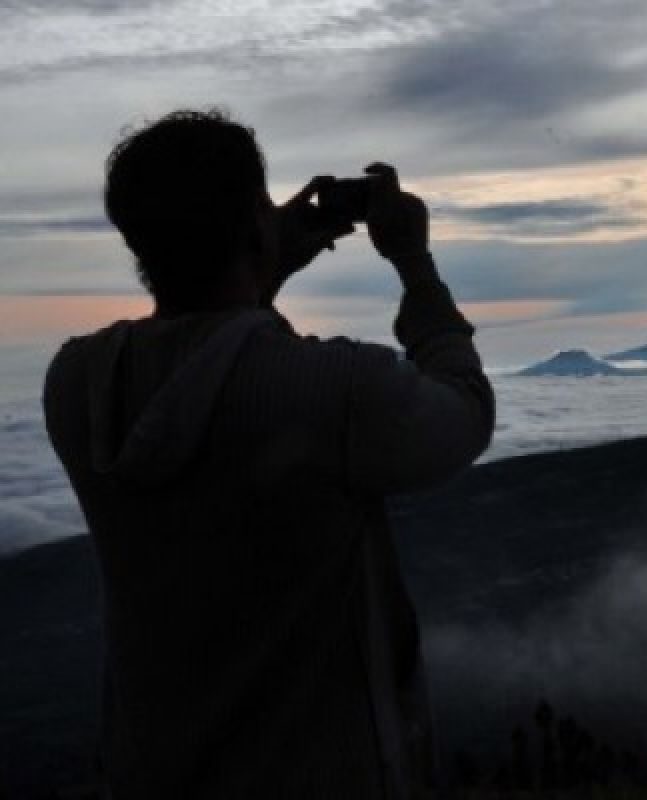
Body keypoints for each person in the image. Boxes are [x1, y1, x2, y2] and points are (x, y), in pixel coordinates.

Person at [41, 109, 495, 799]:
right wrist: (412, 260)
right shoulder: (336, 392)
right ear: (257, 222)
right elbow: (464, 415)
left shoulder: (76, 385)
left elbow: (206, 365)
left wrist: (258, 264)